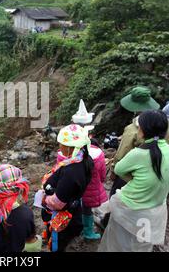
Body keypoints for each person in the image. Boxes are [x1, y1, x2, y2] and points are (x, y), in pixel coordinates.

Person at [98, 110, 169, 252]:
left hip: (128, 206)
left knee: (118, 241)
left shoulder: (138, 153)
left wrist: (136, 178)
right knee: (141, 243)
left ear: (142, 130)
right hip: (156, 206)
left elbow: (118, 169)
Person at [109, 86, 169, 197]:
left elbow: (122, 154)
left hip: (134, 173)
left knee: (117, 196)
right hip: (159, 171)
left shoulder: (133, 129)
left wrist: (113, 170)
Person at [40, 124, 93, 252]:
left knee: (57, 244)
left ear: (70, 147)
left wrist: (44, 198)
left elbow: (58, 203)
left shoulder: (71, 172)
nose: (59, 147)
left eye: (61, 144)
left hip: (63, 216)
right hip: (74, 207)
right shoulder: (84, 159)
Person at [70, 100, 107, 240]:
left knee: (73, 207)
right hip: (89, 188)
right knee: (87, 210)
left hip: (72, 188)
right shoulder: (97, 153)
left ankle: (75, 229)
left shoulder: (65, 152)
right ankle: (88, 232)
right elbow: (102, 174)